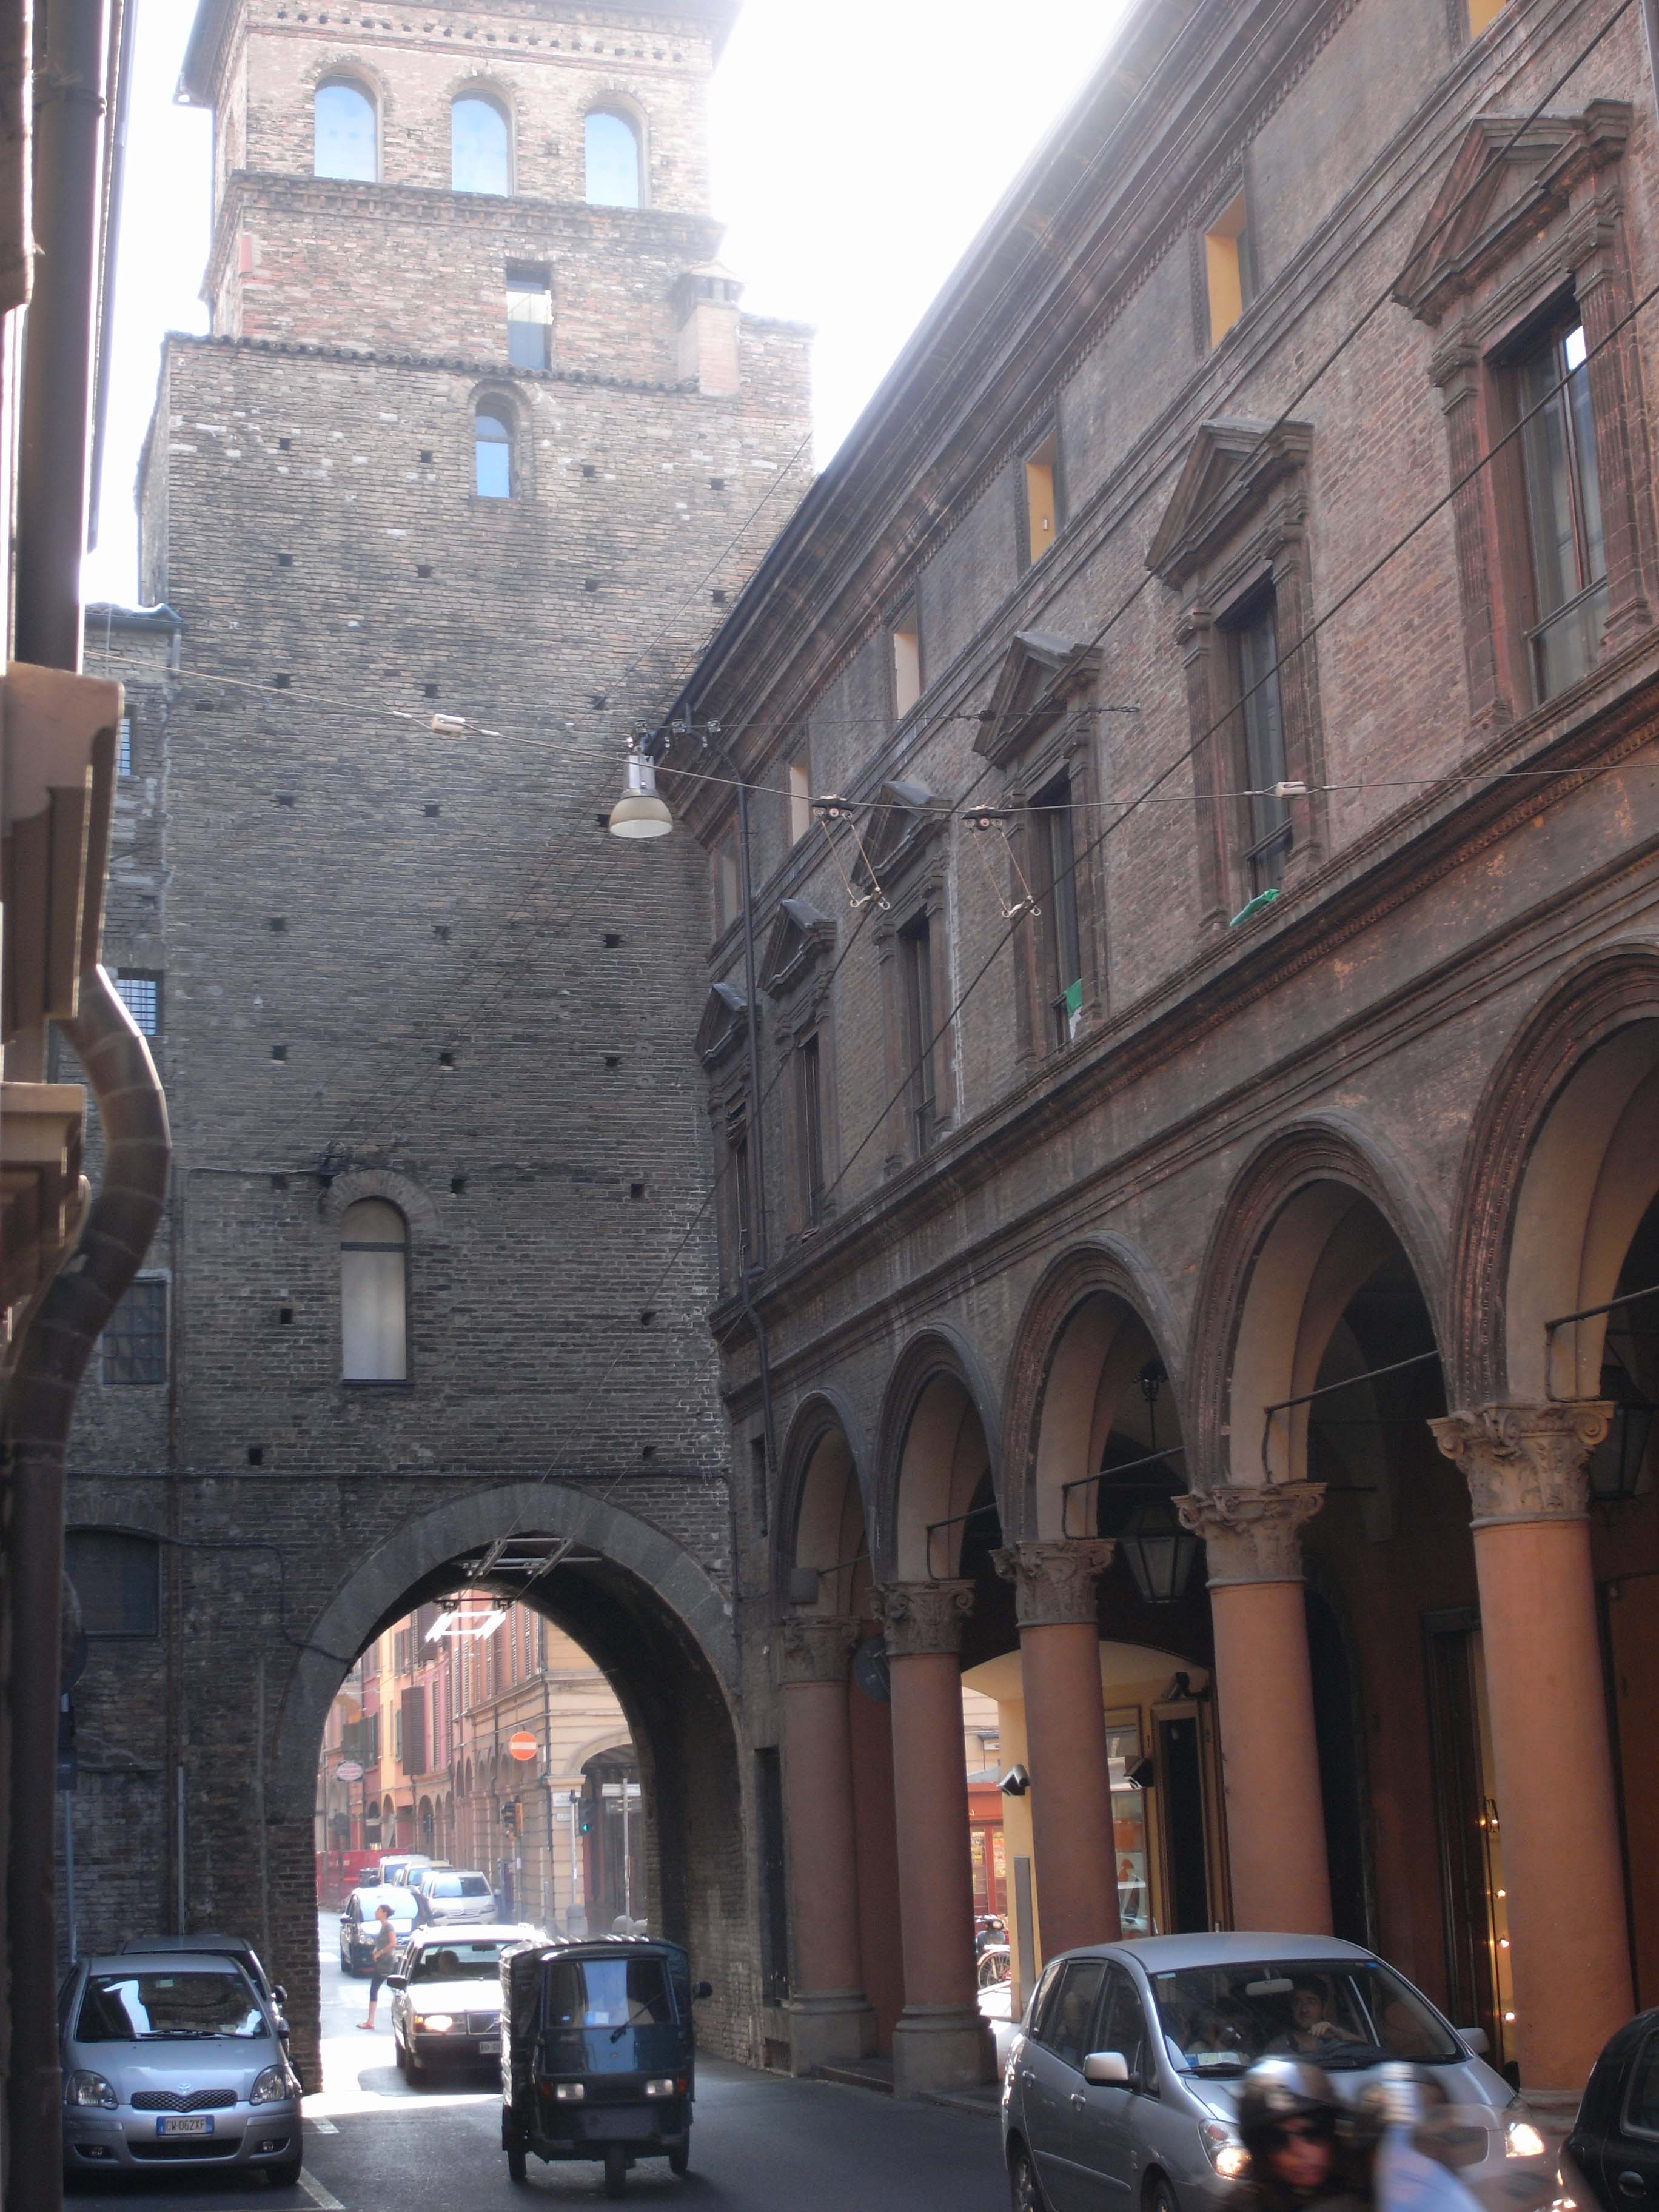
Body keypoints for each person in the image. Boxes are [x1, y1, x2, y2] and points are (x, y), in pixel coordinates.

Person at [1236, 2057, 1369, 2212]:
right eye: (1277, 2138)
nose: (1299, 2150)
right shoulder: (1242, 2205)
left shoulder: (1377, 2197)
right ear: (1260, 2150)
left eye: (1313, 2132)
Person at [358, 1903, 398, 2031]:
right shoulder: (383, 1927)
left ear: (384, 1913)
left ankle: (370, 2021)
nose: (376, 1912)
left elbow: (393, 1943)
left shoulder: (388, 1927)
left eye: (378, 1910)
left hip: (386, 1963)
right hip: (382, 1962)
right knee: (377, 1989)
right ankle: (370, 2021)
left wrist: (380, 1953)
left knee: (375, 1989)